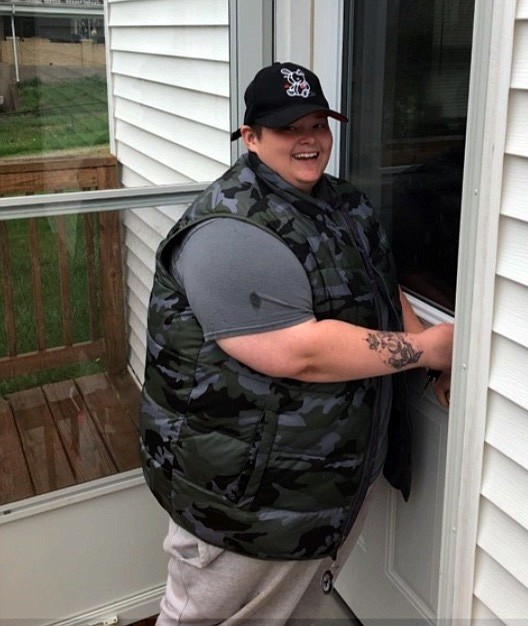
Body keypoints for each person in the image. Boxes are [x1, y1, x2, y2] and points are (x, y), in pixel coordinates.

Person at [139, 61, 453, 625]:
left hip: (315, 487)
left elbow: (384, 288)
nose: (308, 139)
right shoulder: (231, 231)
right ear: (250, 137)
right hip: (245, 501)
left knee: (292, 612)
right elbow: (297, 351)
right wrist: (430, 351)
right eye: (289, 128)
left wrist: (427, 346)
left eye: (318, 124)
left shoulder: (344, 204)